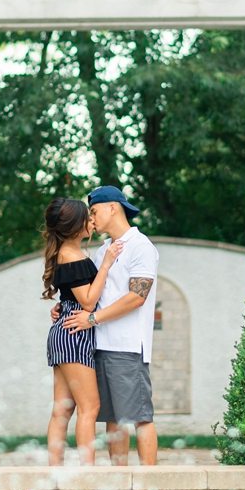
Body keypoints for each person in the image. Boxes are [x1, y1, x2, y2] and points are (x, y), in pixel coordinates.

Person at [64, 186, 160, 466]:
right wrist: (65, 305)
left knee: (140, 417)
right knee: (113, 420)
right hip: (99, 346)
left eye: (93, 212)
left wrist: (92, 319)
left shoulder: (141, 246)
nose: (91, 219)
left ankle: (149, 487)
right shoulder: (103, 250)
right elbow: (92, 294)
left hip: (128, 347)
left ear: (113, 207)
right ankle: (120, 483)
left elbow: (136, 298)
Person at [41, 197, 124, 466]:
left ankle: (56, 472)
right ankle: (87, 473)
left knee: (62, 410)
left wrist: (60, 307)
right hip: (74, 335)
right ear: (75, 226)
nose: (91, 220)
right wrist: (107, 263)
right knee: (90, 408)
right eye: (86, 217)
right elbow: (88, 302)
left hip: (65, 330)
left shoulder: (66, 252)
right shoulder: (72, 255)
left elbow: (73, 297)